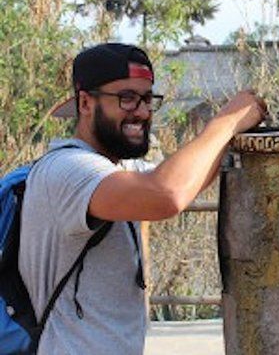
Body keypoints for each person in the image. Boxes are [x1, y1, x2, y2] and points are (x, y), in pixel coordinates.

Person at [18, 43, 266, 355]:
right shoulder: (66, 170)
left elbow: (187, 179)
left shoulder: (120, 169)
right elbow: (166, 194)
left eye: (148, 99)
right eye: (127, 98)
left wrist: (234, 135)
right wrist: (226, 122)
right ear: (84, 102)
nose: (143, 111)